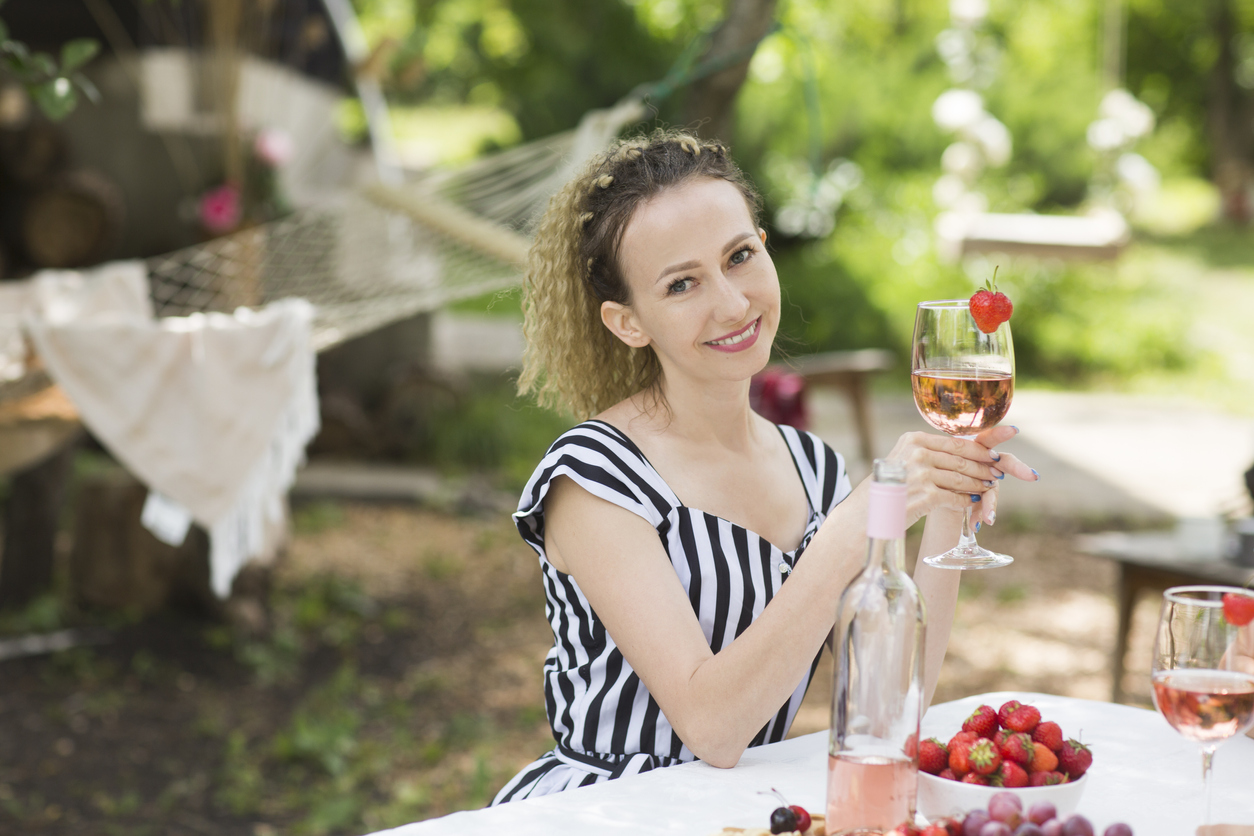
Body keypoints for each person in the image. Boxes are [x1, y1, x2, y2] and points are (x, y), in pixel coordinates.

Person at [493, 129, 1038, 804]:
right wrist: (852, 530)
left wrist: (947, 491)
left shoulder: (812, 467)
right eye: (683, 283)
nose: (731, 301)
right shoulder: (594, 476)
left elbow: (894, 697)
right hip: (609, 811)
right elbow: (713, 728)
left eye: (740, 255)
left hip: (740, 811)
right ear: (627, 321)